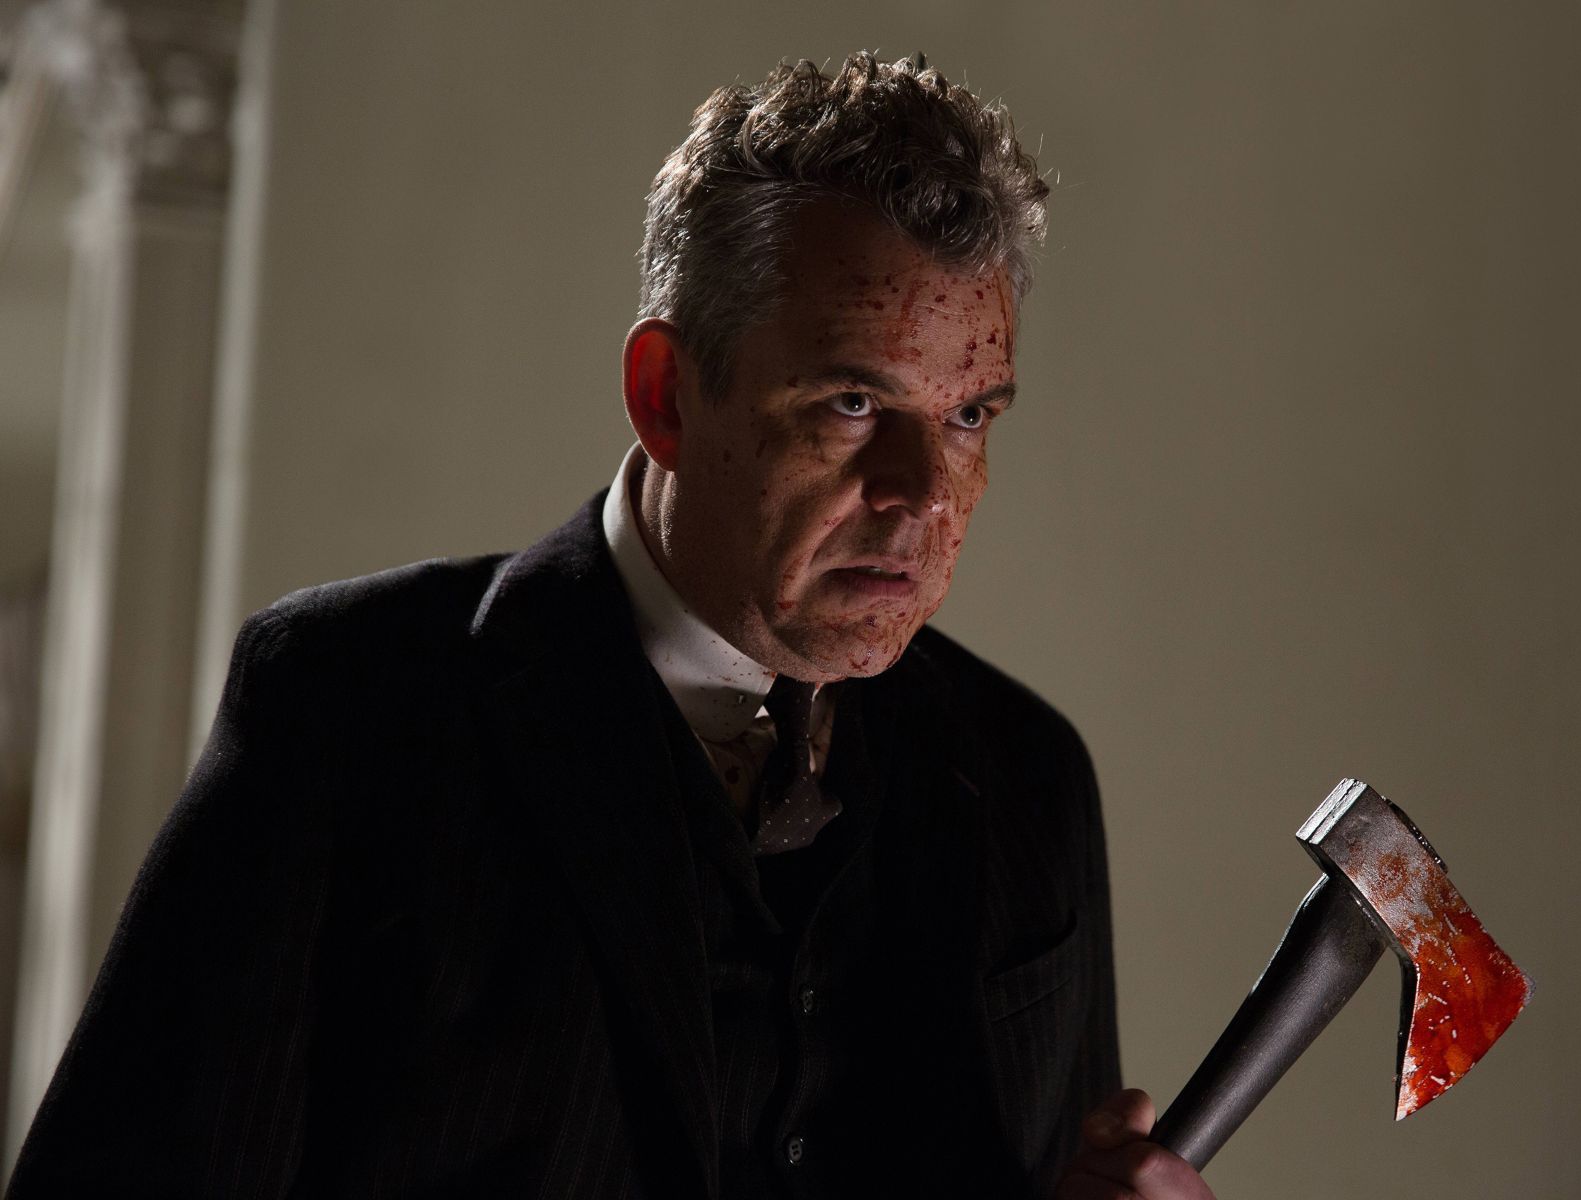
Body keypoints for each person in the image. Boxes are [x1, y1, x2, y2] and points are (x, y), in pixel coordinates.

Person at [8, 53, 1213, 1199]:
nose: (922, 495)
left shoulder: (1026, 778)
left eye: (968, 417)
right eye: (853, 401)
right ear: (665, 395)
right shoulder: (348, 710)